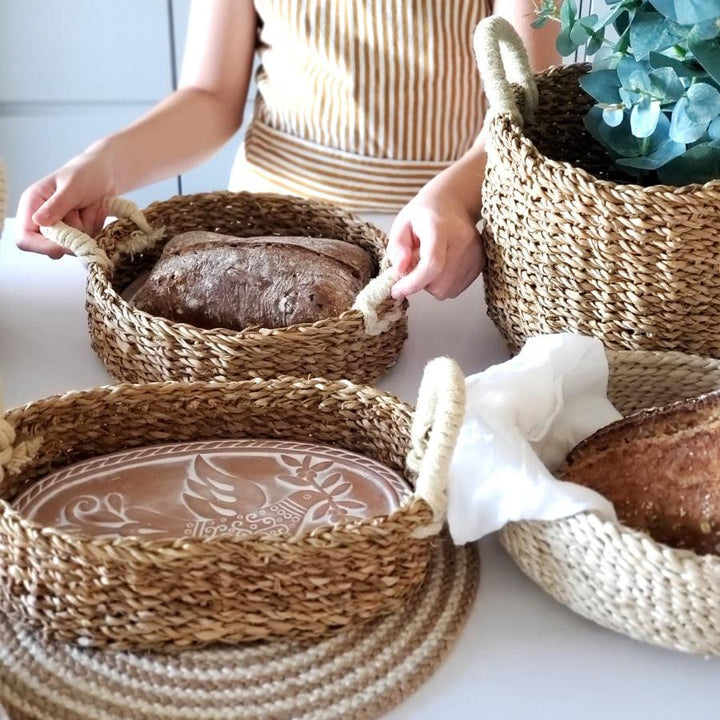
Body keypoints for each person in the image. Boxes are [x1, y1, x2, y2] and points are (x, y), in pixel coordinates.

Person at [15, 0, 557, 299]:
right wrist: (101, 166)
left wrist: (459, 202)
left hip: (429, 246)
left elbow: (526, 103)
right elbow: (210, 96)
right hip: (257, 237)